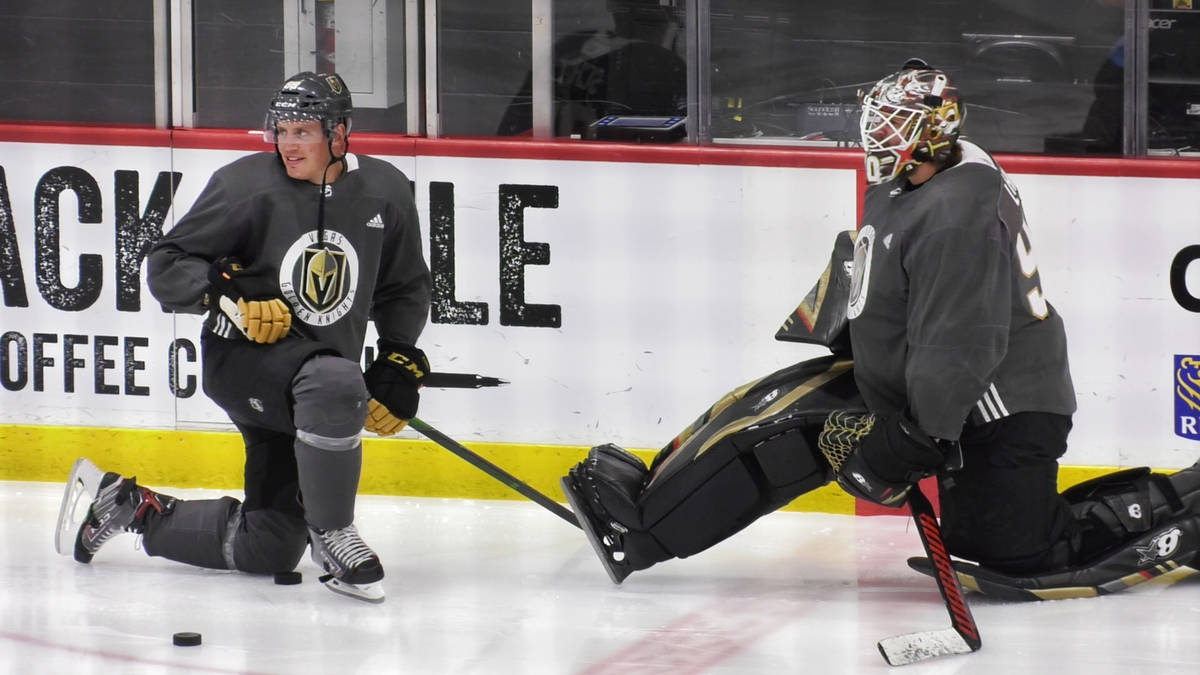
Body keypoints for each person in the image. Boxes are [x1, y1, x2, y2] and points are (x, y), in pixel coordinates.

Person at [561, 60, 1200, 597]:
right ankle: (648, 512)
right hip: (918, 383)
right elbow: (882, 263)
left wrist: (916, 439)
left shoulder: (956, 211)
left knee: (1021, 555)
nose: (878, 140)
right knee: (770, 413)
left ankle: (1184, 511)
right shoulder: (922, 177)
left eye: (894, 128)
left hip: (993, 407)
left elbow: (962, 341)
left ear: (933, 133)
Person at [60, 72, 432, 603]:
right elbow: (166, 263)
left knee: (271, 547)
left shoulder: (386, 190)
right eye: (280, 130)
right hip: (243, 362)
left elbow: (405, 286)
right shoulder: (244, 185)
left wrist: (398, 359)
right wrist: (224, 293)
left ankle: (128, 506)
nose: (288, 144)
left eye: (303, 131)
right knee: (333, 379)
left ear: (341, 133)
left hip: (315, 389)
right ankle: (334, 534)